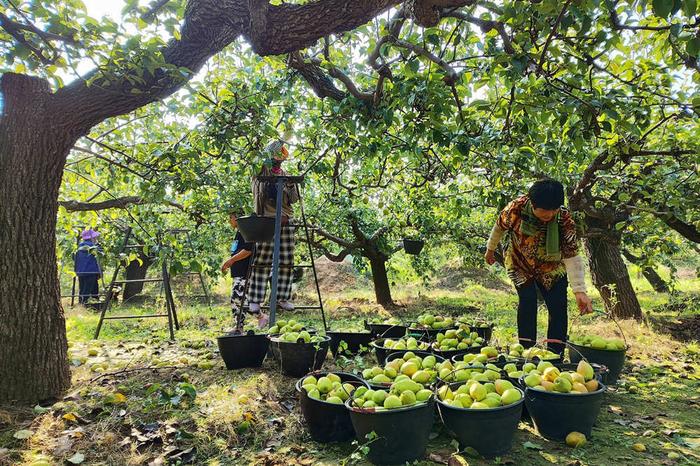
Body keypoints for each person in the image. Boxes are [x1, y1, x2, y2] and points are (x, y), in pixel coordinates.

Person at [484, 179, 593, 356]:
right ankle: (526, 352)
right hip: (519, 262)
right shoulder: (516, 208)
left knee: (558, 306)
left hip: (552, 267)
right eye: (544, 210)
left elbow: (571, 254)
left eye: (554, 209)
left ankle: (555, 354)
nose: (549, 214)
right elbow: (499, 227)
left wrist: (579, 290)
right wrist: (490, 249)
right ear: (532, 203)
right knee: (527, 302)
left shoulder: (564, 219)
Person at [248, 139, 300, 325]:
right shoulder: (261, 171)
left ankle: (282, 296)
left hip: (285, 220)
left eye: (280, 160)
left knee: (286, 259)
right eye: (275, 159)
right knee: (262, 259)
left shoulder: (286, 175)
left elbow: (293, 200)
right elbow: (256, 164)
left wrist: (291, 184)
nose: (278, 163)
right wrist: (271, 148)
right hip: (266, 220)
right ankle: (255, 299)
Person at [220, 211, 255, 326]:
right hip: (237, 273)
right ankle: (239, 326)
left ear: (237, 218)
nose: (230, 220)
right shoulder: (239, 233)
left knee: (237, 299)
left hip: (243, 272)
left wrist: (231, 260)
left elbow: (248, 250)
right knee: (237, 300)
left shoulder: (245, 232)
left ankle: (258, 316)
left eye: (231, 217)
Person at [75, 228, 102, 306]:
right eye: (95, 237)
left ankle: (82, 302)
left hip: (81, 271)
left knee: (83, 287)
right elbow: (101, 256)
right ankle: (88, 303)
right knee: (90, 288)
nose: (96, 238)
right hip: (91, 271)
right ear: (91, 238)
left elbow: (75, 258)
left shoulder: (79, 247)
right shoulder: (94, 247)